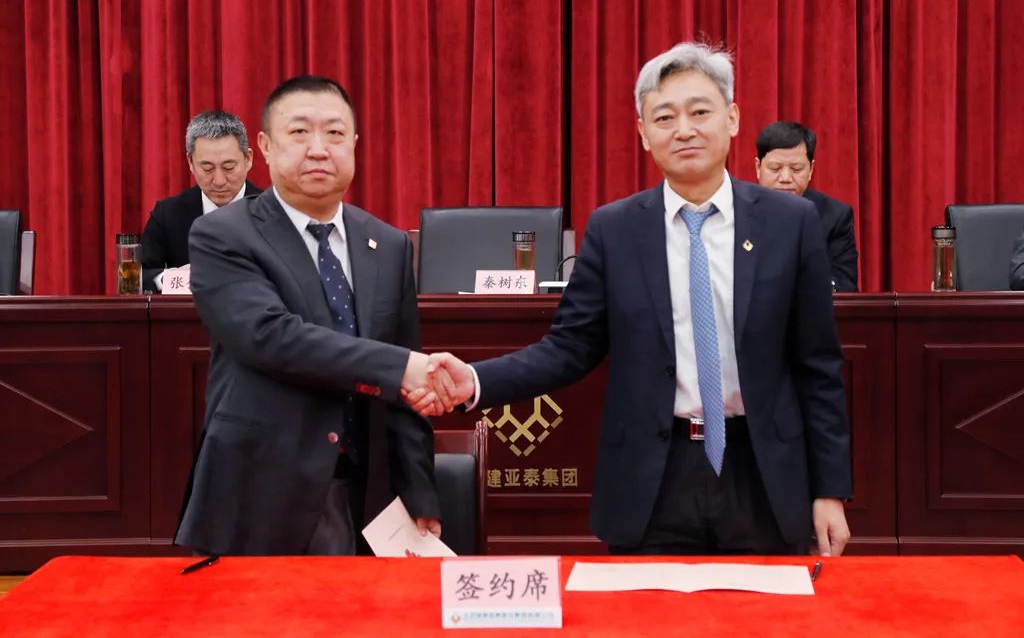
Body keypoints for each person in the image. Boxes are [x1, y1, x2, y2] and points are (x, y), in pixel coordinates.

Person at [410, 42, 852, 557]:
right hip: (654, 478)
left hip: (763, 474)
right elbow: (569, 348)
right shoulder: (615, 229)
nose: (683, 130)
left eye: (700, 112)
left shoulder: (791, 224)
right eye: (664, 117)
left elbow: (817, 365)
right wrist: (476, 379)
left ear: (732, 119)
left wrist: (829, 489)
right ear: (643, 133)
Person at [175, 76, 443, 556]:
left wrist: (419, 492)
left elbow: (406, 387)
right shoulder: (222, 235)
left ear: (354, 144)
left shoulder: (389, 244)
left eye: (335, 133)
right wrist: (402, 366)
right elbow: (271, 336)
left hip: (365, 492)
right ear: (265, 146)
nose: (319, 149)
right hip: (261, 490)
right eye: (299, 132)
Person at [141, 110, 261, 292]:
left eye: (229, 167)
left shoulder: (274, 213)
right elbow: (139, 278)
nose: (219, 181)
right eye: (207, 168)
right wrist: (176, 278)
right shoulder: (168, 215)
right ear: (190, 162)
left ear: (248, 159)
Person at [754, 121, 859, 292]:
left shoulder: (835, 217)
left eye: (796, 169)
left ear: (811, 170)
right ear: (758, 168)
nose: (785, 178)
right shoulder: (737, 211)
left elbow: (844, 286)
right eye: (775, 168)